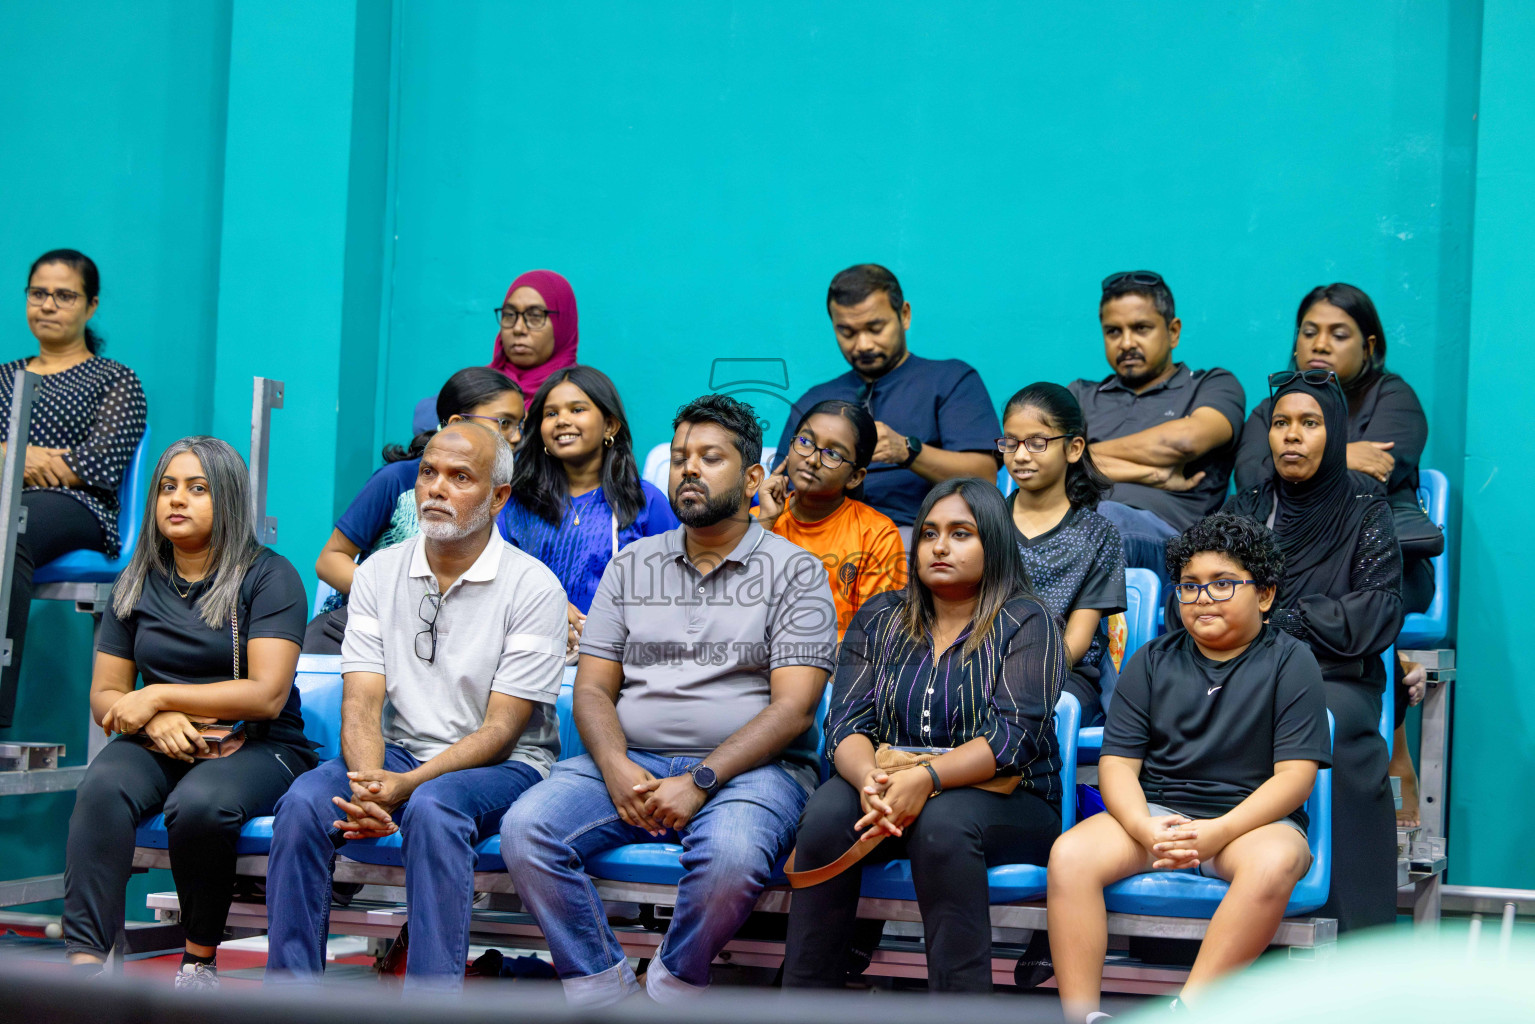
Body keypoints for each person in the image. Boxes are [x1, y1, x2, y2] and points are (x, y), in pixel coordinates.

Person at [500, 395, 839, 1006]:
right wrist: (617, 767)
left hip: (756, 772)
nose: (688, 469)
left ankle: (670, 988)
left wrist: (702, 779)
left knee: (732, 855)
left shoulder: (798, 572)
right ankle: (602, 989)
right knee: (528, 828)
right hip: (636, 763)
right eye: (681, 456)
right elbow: (594, 688)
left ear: (754, 477)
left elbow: (794, 710)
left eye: (711, 457)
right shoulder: (631, 566)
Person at [265, 422, 566, 991]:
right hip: (402, 754)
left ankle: (429, 1002)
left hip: (506, 766)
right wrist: (368, 782)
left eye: (459, 477)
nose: (436, 488)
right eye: (429, 473)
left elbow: (503, 730)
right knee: (305, 802)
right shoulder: (379, 571)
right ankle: (289, 999)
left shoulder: (533, 587)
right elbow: (361, 701)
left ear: (499, 497)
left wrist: (408, 787)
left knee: (434, 808)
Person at [782, 478, 1067, 994]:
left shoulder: (1029, 620)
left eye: (961, 534)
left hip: (1010, 799)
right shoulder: (880, 618)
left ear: (994, 544)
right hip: (890, 785)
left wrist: (928, 779)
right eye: (930, 533)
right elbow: (846, 723)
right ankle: (805, 999)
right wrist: (869, 777)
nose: (939, 546)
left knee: (943, 822)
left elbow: (1012, 739)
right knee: (827, 811)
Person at [1047, 513, 1330, 1021]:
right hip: (1156, 817)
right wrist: (1144, 827)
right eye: (1190, 586)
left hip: (1249, 824)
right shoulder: (1152, 660)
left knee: (1276, 861)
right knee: (1070, 855)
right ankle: (1084, 1016)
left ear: (1264, 595)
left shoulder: (1293, 661)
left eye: (1223, 584)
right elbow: (1116, 765)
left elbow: (1295, 778)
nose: (1203, 598)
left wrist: (1218, 831)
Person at [62, 437, 315, 990]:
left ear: (225, 499)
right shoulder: (137, 580)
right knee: (102, 787)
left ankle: (198, 962)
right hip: (166, 737)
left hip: (261, 741)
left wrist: (158, 697)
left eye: (198, 489)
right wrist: (152, 718)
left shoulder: (269, 576)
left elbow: (266, 693)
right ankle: (83, 973)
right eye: (168, 488)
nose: (178, 500)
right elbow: (106, 695)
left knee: (200, 802)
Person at [1233, 283, 1432, 825]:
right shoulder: (1267, 409)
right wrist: (1341, 450)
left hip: (1374, 553)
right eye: (1309, 331)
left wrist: (1330, 456)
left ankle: (1394, 748)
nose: (1320, 343)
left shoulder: (1393, 396)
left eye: (1338, 334)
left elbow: (1379, 471)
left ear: (1368, 345)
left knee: (1364, 609)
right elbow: (1253, 475)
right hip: (1286, 554)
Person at [1225, 371, 1402, 932]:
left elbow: (1377, 609)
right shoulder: (1244, 511)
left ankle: (1354, 930)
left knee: (1328, 725)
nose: (1291, 436)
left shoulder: (1365, 508)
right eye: (1281, 424)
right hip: (1247, 671)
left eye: (1309, 423)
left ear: (1336, 432)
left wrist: (1285, 619)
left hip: (1335, 677)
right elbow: (1207, 596)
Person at [0, 249, 147, 727]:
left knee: (10, 529)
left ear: (91, 305)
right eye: (38, 293)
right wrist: (16, 456)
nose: (48, 304)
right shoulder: (5, 376)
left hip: (78, 507)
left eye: (64, 295)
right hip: (9, 498)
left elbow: (103, 463)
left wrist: (17, 457)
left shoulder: (115, 379)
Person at [306, 367, 525, 652]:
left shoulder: (505, 493)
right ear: (457, 423)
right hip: (372, 629)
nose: (517, 436)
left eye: (520, 424)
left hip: (462, 635)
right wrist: (395, 598)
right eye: (505, 422)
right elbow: (329, 560)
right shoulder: (396, 480)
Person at [775, 264, 1001, 538]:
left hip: (916, 537)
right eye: (847, 332)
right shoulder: (816, 400)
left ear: (904, 315)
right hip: (821, 537)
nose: (863, 344)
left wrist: (907, 451)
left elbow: (984, 478)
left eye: (875, 327)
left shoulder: (950, 380)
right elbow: (781, 484)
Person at [1068, 271, 1245, 580]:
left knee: (1107, 521)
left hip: (1172, 546)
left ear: (1173, 331)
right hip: (1077, 526)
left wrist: (1079, 456)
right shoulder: (1081, 395)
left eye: (1141, 328)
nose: (1126, 343)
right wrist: (1151, 473)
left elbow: (1183, 442)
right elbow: (1046, 462)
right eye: (1113, 332)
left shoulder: (1211, 385)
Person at [497, 365, 676, 658]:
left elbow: (674, 589)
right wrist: (548, 605)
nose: (562, 420)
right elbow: (497, 583)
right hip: (526, 656)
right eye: (551, 413)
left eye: (577, 409)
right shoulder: (517, 502)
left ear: (610, 426)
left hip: (621, 663)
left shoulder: (644, 501)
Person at [1000, 383, 1127, 727]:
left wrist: (1022, 677)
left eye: (1037, 443)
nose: (1021, 455)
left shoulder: (1098, 535)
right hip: (983, 667)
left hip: (1062, 676)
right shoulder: (985, 522)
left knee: (1020, 712)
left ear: (1073, 448)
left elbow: (1078, 640)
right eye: (1010, 442)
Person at [757, 399, 906, 638]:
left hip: (836, 669)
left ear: (855, 477)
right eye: (805, 442)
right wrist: (765, 523)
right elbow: (725, 605)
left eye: (833, 454)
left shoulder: (876, 534)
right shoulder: (756, 519)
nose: (813, 460)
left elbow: (877, 633)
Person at [410, 269, 578, 435]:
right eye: (510, 315)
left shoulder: (579, 390)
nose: (518, 328)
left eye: (535, 316)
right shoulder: (479, 385)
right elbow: (426, 421)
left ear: (562, 324)